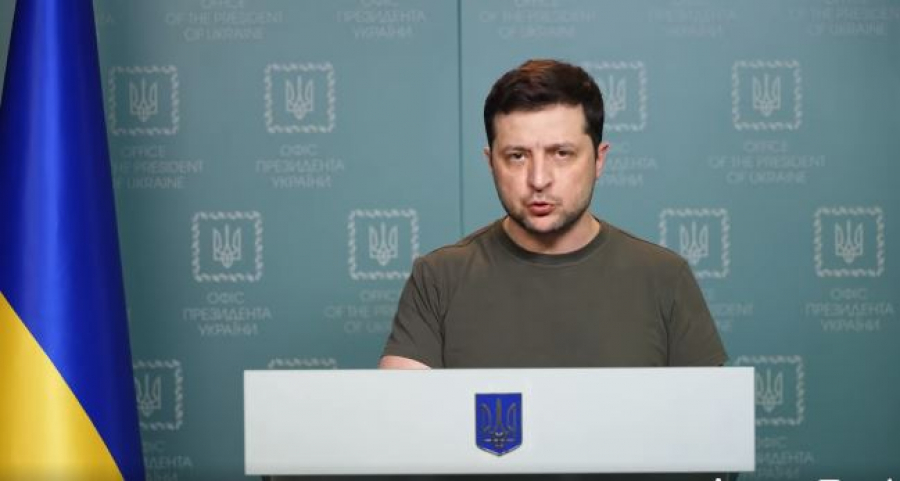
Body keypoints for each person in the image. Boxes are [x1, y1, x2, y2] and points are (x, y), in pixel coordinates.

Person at [380, 59, 726, 371]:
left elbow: (708, 416)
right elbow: (403, 414)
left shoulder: (665, 279)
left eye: (561, 153)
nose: (538, 179)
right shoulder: (437, 279)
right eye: (517, 156)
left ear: (599, 159)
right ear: (491, 163)